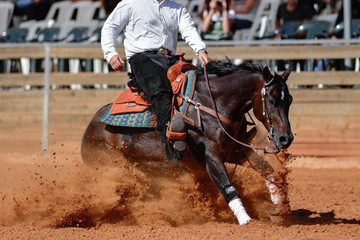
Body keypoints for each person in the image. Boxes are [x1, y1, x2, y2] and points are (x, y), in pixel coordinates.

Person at [101, 0, 210, 161]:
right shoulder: (131, 3)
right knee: (160, 91)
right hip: (142, 58)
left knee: (198, 82)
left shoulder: (177, 8)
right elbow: (110, 27)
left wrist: (200, 49)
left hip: (170, 59)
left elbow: (188, 29)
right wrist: (110, 53)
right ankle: (170, 142)